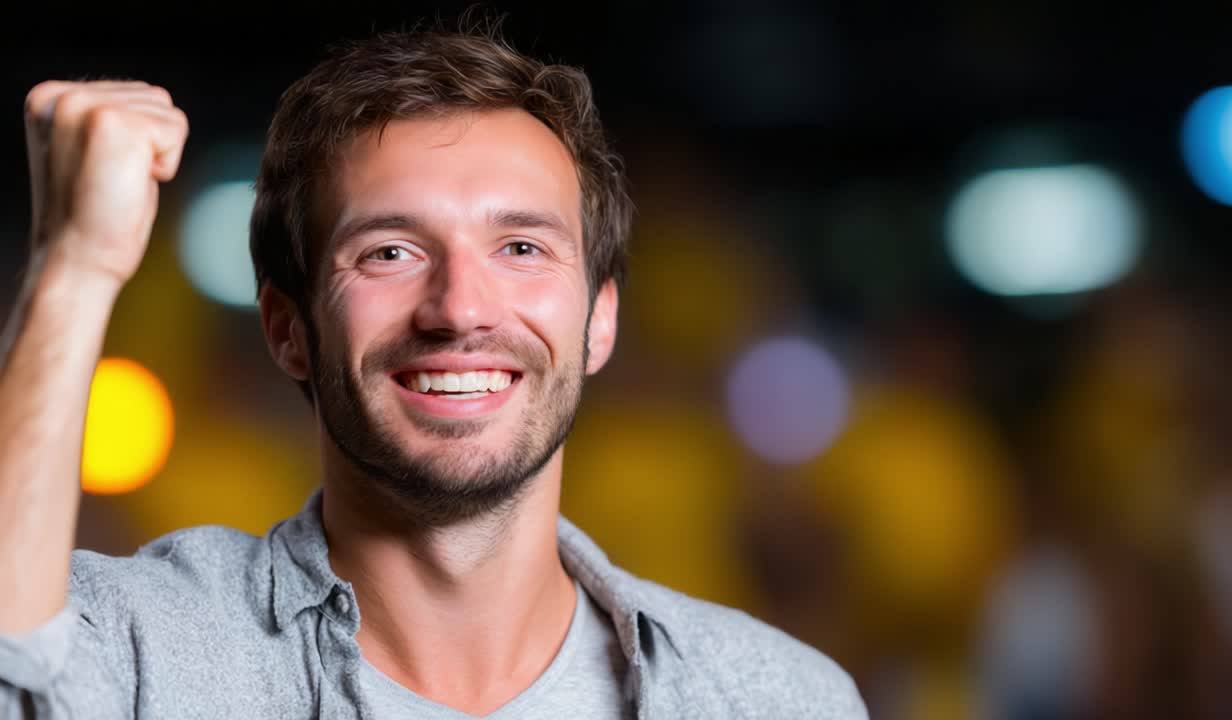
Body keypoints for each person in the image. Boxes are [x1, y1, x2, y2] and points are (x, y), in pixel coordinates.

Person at [0, 21, 867, 719]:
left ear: (601, 320)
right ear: (287, 330)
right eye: (390, 251)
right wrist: (73, 265)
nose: (460, 308)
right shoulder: (146, 649)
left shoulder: (782, 698)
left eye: (521, 247)